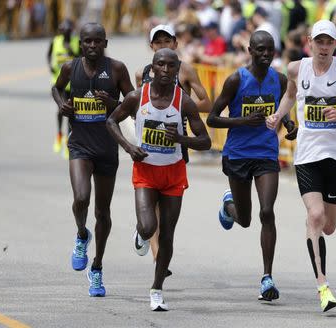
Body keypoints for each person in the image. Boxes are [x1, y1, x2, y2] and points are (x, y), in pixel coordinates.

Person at [266, 20, 336, 312]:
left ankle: (315, 228)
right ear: (309, 43)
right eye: (319, 42)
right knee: (315, 216)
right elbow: (290, 95)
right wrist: (278, 116)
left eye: (329, 42)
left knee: (329, 226)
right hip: (307, 155)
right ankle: (323, 288)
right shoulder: (295, 69)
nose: (324, 47)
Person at [106, 48, 211, 311]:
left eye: (171, 66)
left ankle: (156, 289)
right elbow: (111, 121)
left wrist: (181, 139)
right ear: (152, 68)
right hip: (146, 172)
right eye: (160, 65)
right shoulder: (136, 97)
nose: (165, 70)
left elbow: (205, 141)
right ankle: (141, 235)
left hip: (174, 174)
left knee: (167, 235)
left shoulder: (183, 101)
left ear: (177, 70)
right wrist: (129, 149)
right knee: (147, 226)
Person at [207, 30, 293, 303]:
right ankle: (228, 206)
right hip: (238, 154)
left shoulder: (279, 80)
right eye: (260, 50)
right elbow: (212, 118)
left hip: (266, 154)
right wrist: (243, 122)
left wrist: (288, 124)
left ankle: (267, 277)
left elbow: (282, 110)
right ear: (250, 50)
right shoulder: (236, 80)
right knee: (244, 219)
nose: (266, 54)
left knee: (267, 212)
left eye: (270, 50)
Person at [52, 22, 134, 297]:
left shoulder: (117, 69)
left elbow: (132, 104)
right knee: (80, 199)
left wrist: (112, 104)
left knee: (102, 212)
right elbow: (57, 88)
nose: (92, 46)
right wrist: (62, 103)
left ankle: (97, 267)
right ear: (80, 43)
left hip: (107, 149)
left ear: (105, 43)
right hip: (80, 146)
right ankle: (80, 234)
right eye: (87, 41)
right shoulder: (69, 68)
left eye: (97, 41)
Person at [135, 24, 213, 275]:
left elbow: (207, 102)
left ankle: (146, 231)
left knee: (165, 206)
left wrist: (183, 107)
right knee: (152, 205)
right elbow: (135, 106)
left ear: (175, 44)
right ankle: (157, 255)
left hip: (177, 142)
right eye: (157, 43)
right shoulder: (142, 73)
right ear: (151, 47)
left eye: (167, 41)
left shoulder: (186, 69)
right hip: (150, 145)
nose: (163, 46)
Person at [47, 19, 80, 157]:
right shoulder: (55, 41)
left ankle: (68, 140)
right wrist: (51, 66)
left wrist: (70, 49)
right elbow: (48, 55)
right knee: (60, 110)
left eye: (68, 30)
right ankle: (59, 134)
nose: (65, 33)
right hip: (58, 83)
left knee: (70, 111)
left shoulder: (76, 41)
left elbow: (80, 58)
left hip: (72, 84)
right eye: (63, 30)